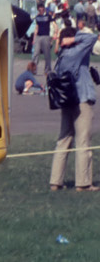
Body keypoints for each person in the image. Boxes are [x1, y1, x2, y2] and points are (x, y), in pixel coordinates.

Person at [49, 25, 99, 191]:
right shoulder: (75, 52)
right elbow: (92, 38)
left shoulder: (62, 56)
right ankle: (83, 183)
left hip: (67, 101)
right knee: (83, 140)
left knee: (63, 140)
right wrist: (76, 38)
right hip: (81, 100)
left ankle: (56, 181)